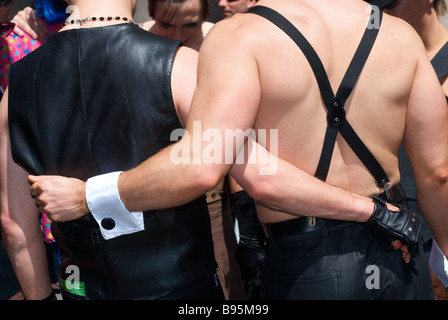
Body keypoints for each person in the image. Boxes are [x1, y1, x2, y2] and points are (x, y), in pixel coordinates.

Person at [20, 0, 448, 299]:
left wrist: (87, 195)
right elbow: (438, 173)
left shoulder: (240, 36)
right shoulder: (402, 36)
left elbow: (208, 166)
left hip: (309, 262)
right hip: (402, 246)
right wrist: (443, 261)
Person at [1, 0, 225, 300]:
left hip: (81, 288)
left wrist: (39, 296)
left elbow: (14, 222)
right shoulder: (181, 64)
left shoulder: (17, 84)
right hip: (179, 286)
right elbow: (227, 166)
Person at [368, 0, 448, 299]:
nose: (381, 9)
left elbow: (439, 174)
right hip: (396, 233)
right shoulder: (372, 62)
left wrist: (443, 258)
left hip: (435, 230)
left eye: (391, 2)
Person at [141, 0, 214, 51]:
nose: (177, 38)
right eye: (166, 25)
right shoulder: (137, 41)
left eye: (190, 26)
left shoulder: (218, 45)